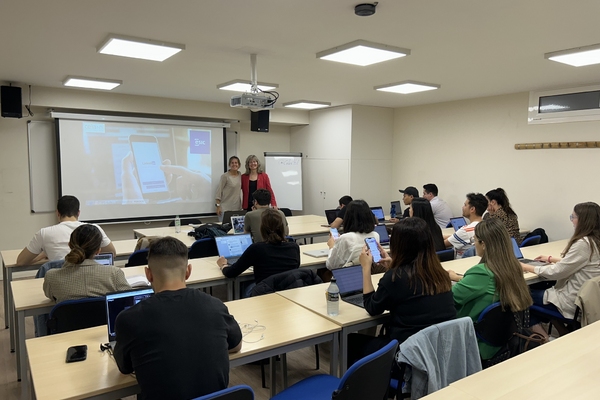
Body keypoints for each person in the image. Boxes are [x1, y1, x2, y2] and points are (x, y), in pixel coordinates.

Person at [114, 237, 242, 400]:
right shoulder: (215, 305)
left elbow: (125, 367)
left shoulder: (129, 319)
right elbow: (236, 345)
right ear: (188, 271)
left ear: (148, 274)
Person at [348, 218, 456, 364]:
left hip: (408, 352)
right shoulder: (440, 273)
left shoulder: (395, 278)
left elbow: (371, 307)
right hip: (437, 349)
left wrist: (366, 268)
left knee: (351, 341)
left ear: (397, 245)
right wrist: (393, 265)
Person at [448, 219, 532, 360]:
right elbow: (484, 285)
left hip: (477, 344)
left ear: (484, 244)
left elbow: (450, 299)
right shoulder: (512, 267)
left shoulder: (481, 273)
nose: (474, 244)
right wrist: (459, 278)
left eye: (475, 240)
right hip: (506, 341)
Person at [522, 202, 600, 324]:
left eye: (573, 217)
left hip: (571, 302)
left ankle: (539, 333)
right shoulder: (595, 241)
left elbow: (556, 272)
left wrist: (526, 267)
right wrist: (551, 259)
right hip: (587, 300)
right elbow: (579, 263)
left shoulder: (583, 244)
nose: (572, 220)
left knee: (517, 294)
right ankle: (560, 331)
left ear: (583, 220)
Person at [218, 208, 300, 296]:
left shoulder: (257, 248)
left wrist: (223, 265)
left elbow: (231, 273)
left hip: (264, 293)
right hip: (288, 292)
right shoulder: (294, 247)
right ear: (282, 228)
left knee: (244, 285)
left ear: (262, 228)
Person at [43, 224, 130, 304]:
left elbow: (51, 296)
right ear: (98, 250)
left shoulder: (51, 276)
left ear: (69, 245)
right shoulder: (114, 274)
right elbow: (129, 299)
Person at [17, 195, 115, 266]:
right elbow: (112, 253)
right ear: (78, 213)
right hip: (90, 277)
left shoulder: (44, 233)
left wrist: (42, 255)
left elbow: (21, 261)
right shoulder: (94, 229)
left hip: (59, 283)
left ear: (58, 213)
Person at [326, 199, 379, 270]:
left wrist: (332, 246)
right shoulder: (375, 235)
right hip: (369, 272)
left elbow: (331, 265)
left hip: (349, 274)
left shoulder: (346, 238)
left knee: (321, 271)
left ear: (348, 218)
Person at [444, 193, 488, 258]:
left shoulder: (465, 230)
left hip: (461, 262)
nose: (463, 207)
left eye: (465, 205)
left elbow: (443, 244)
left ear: (472, 209)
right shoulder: (486, 226)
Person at [215, 156, 242, 221]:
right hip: (225, 209)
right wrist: (218, 206)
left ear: (239, 165)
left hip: (237, 208)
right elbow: (219, 191)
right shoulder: (225, 176)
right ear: (229, 165)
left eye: (236, 163)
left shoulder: (240, 176)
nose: (234, 164)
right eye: (232, 163)